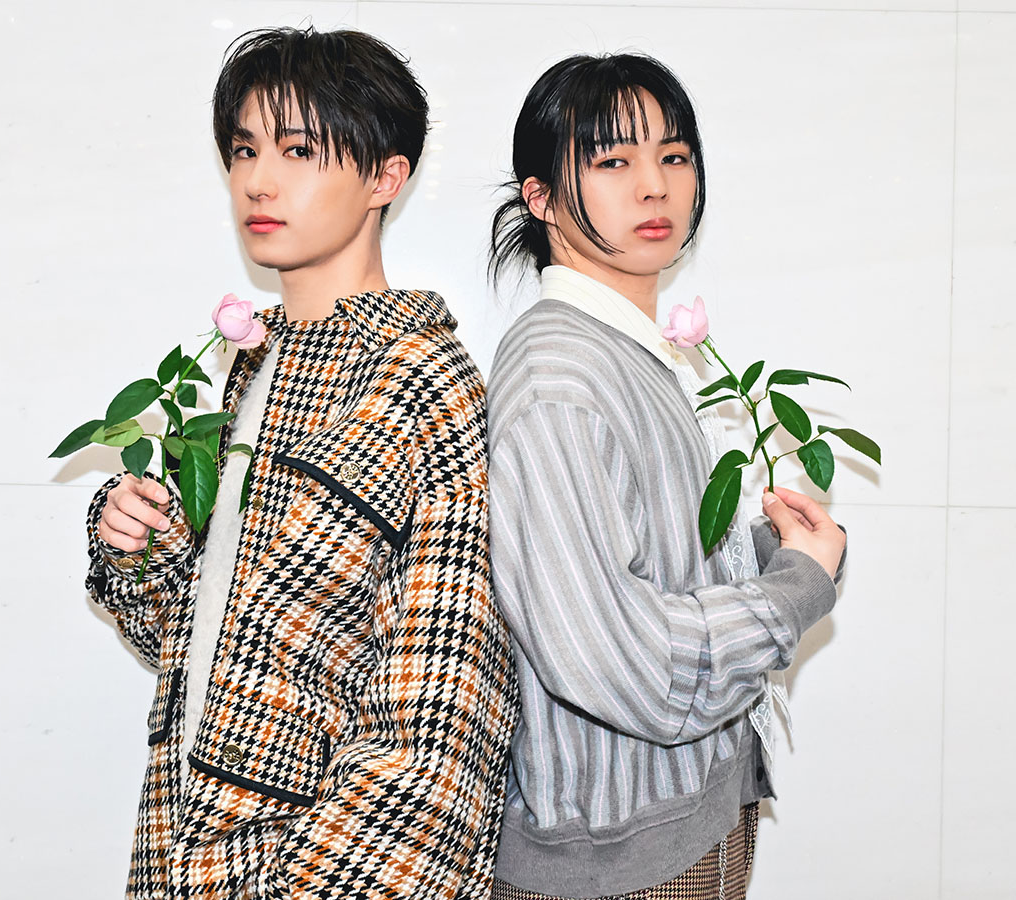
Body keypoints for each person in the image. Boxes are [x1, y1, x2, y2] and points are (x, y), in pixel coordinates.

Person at [84, 26, 517, 899]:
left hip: (300, 871)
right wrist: (138, 546)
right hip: (177, 848)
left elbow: (444, 712)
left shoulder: (422, 382)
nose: (259, 181)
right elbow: (206, 650)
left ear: (385, 178)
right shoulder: (255, 365)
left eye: (299, 151)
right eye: (245, 149)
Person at [484, 52, 848, 900]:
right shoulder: (559, 381)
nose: (655, 186)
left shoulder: (623, 348)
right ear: (541, 198)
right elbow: (621, 660)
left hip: (680, 825)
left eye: (674, 156)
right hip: (619, 867)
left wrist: (777, 552)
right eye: (612, 161)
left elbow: (648, 569)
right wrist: (795, 591)